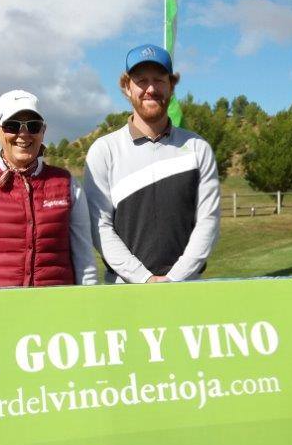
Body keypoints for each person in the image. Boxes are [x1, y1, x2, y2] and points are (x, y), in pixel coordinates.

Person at [83, 44, 219, 284]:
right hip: (125, 294)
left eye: (159, 80)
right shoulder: (104, 151)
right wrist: (144, 278)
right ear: (127, 87)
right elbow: (100, 227)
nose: (151, 89)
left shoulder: (199, 148)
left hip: (187, 288)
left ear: (171, 86)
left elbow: (207, 222)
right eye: (141, 80)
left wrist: (174, 279)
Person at [0, 90, 97, 289]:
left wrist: (87, 307)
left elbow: (85, 262)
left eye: (33, 126)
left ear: (43, 131)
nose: (23, 134)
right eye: (12, 126)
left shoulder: (67, 184)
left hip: (56, 312)